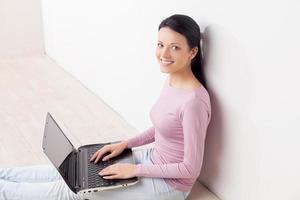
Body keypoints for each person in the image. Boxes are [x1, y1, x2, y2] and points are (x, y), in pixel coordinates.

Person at [0, 14, 211, 200]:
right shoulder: (172, 80)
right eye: (160, 44)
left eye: (174, 47)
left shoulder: (194, 102)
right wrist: (125, 144)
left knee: (76, 192)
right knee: (72, 171)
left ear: (192, 53)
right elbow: (166, 128)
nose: (164, 53)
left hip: (169, 185)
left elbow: (190, 168)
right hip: (152, 162)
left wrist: (134, 169)